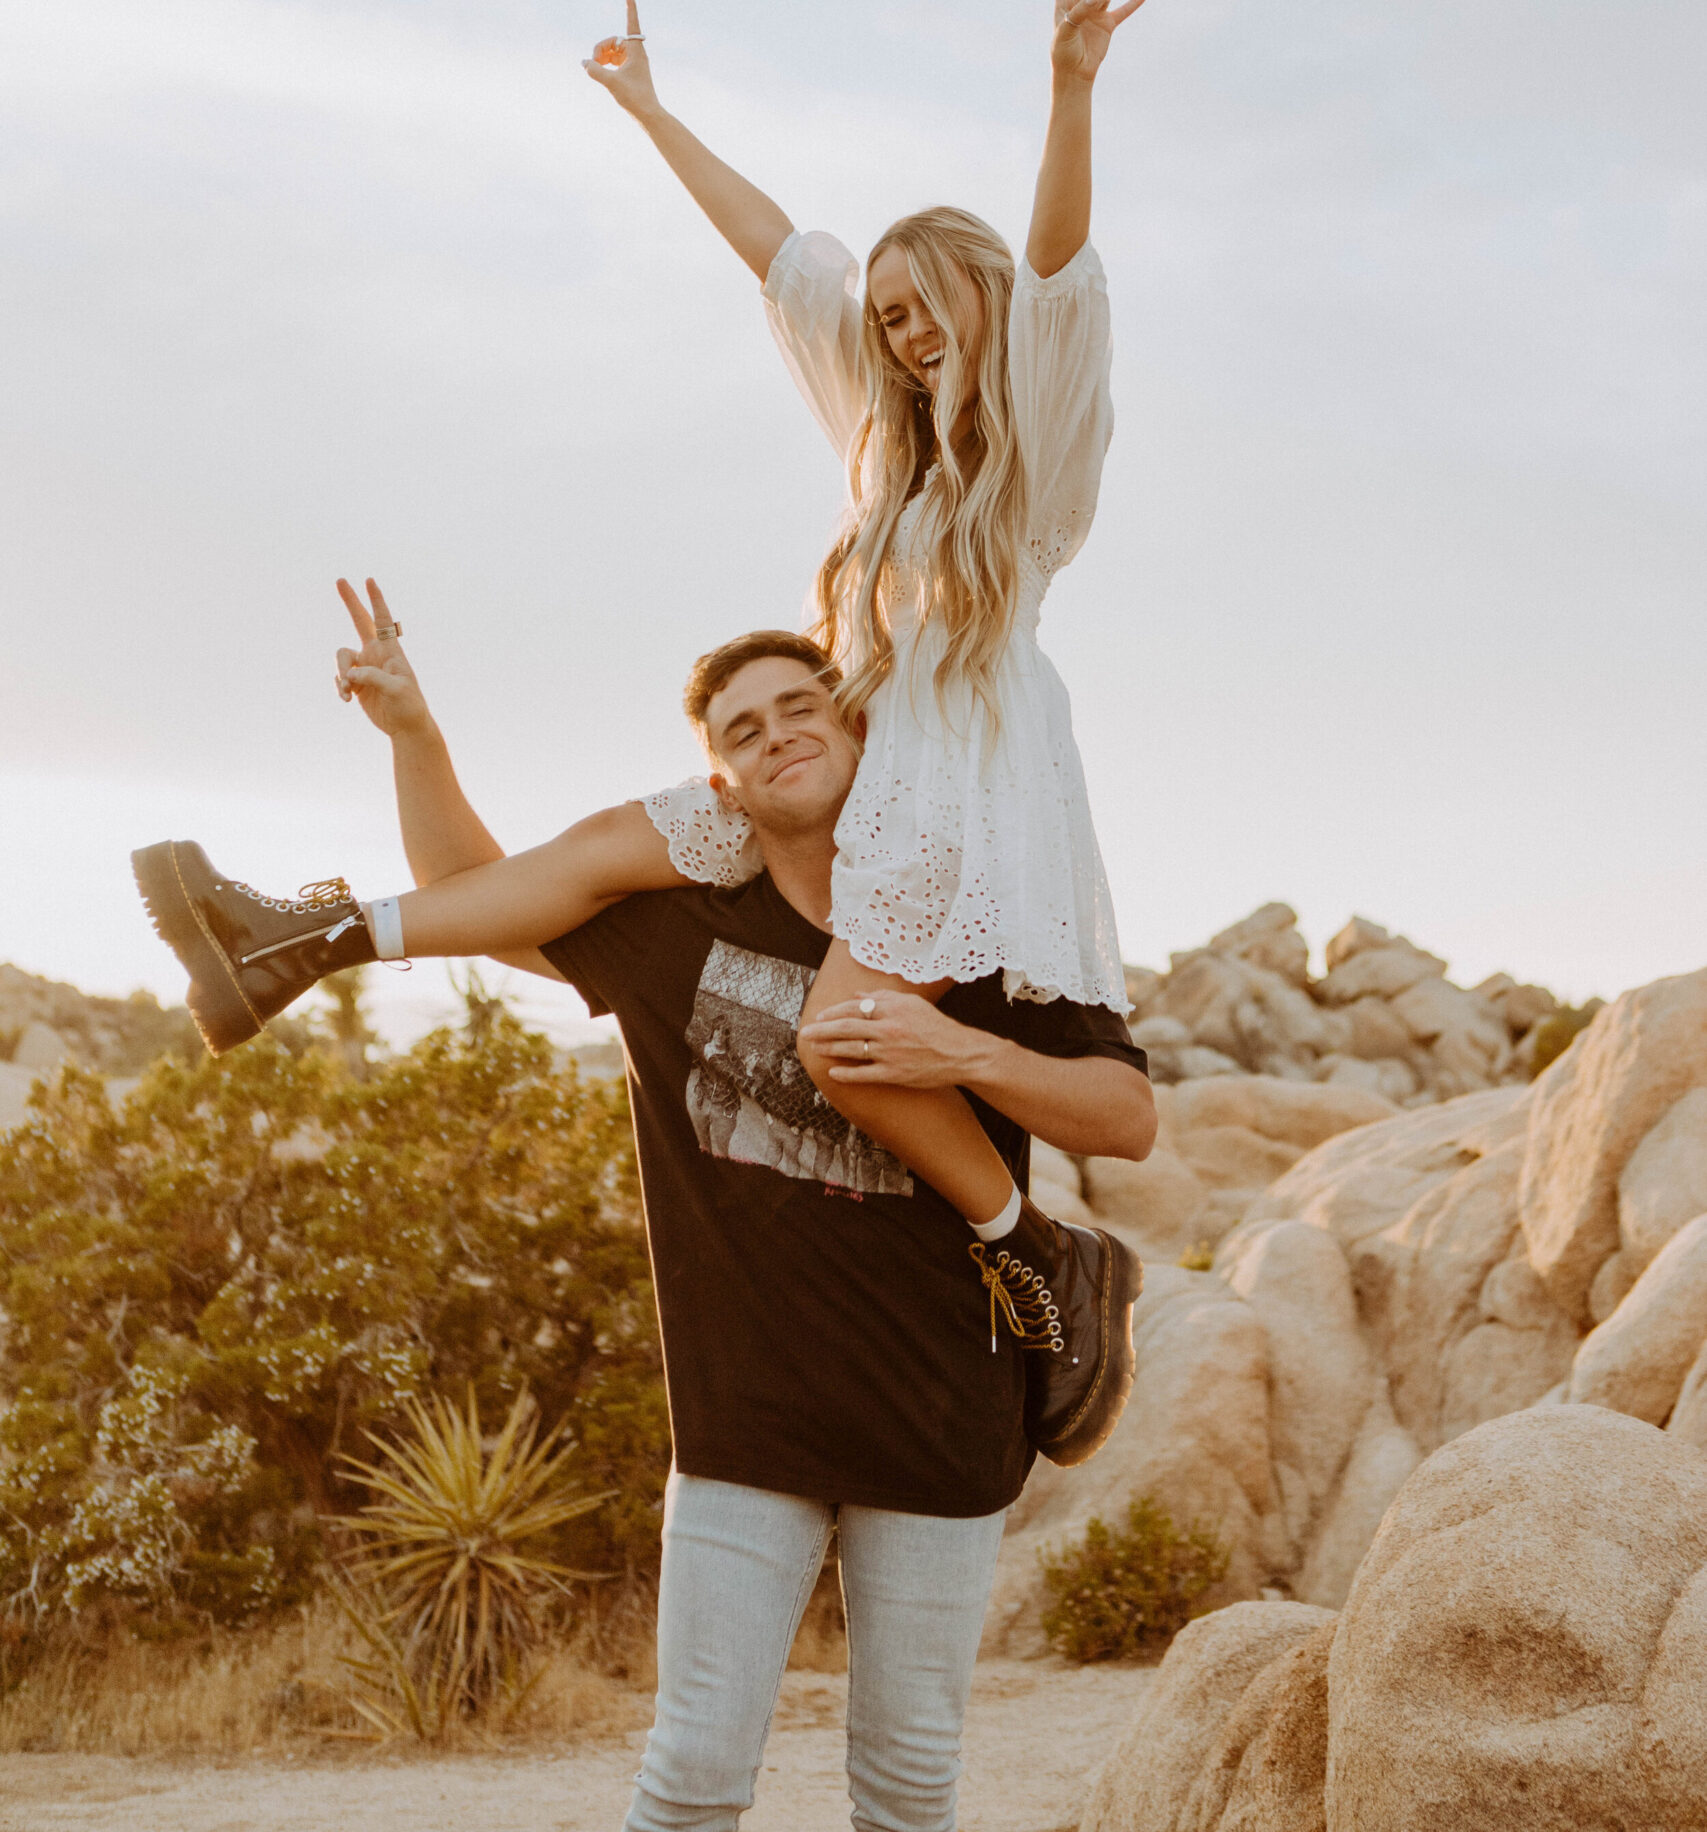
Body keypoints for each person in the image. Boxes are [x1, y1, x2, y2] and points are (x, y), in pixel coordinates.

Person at [133, 0, 1144, 1343]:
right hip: (844, 742)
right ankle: (307, 936)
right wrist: (651, 113)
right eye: (890, 316)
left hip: (948, 784)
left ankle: (1033, 1252)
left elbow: (1054, 268)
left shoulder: (1031, 474)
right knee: (610, 842)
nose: (906, 337)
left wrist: (1068, 89)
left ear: (974, 296)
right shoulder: (875, 450)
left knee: (843, 1045)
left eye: (925, 309)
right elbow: (782, 256)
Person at [159, 625, 1158, 1832]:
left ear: (858, 730)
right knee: (688, 1780)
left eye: (802, 705)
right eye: (743, 728)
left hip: (945, 1400)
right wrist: (417, 740)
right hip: (746, 1420)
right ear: (720, 784)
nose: (779, 731)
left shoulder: (981, 927)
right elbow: (481, 894)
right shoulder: (674, 927)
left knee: (906, 1789)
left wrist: (964, 1051)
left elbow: (1129, 1118)